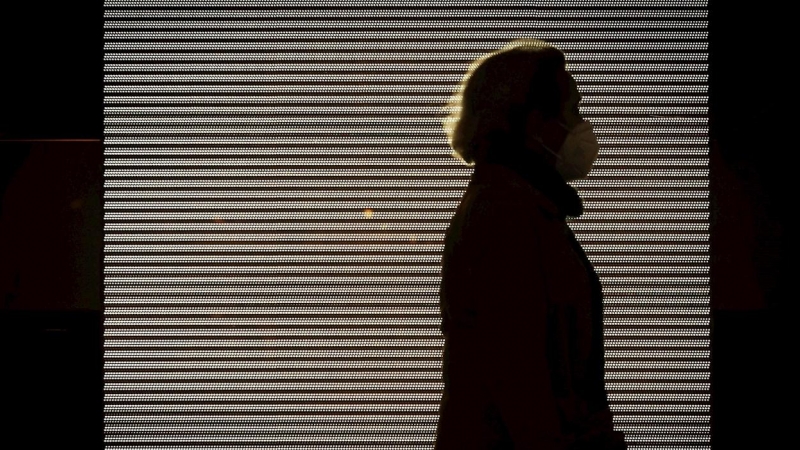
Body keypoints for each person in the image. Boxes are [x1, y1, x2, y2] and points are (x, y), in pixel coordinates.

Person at [434, 39, 627, 450]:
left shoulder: (527, 210)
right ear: (534, 122)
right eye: (572, 109)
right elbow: (519, 380)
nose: (582, 124)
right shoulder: (504, 217)